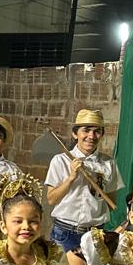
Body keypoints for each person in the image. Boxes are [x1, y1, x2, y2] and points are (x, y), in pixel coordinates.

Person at [44, 108, 123, 253]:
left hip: (95, 235)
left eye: (97, 131)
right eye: (86, 130)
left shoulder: (109, 163)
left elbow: (111, 203)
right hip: (65, 233)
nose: (91, 136)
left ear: (102, 135)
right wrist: (71, 178)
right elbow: (51, 199)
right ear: (75, 134)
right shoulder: (60, 160)